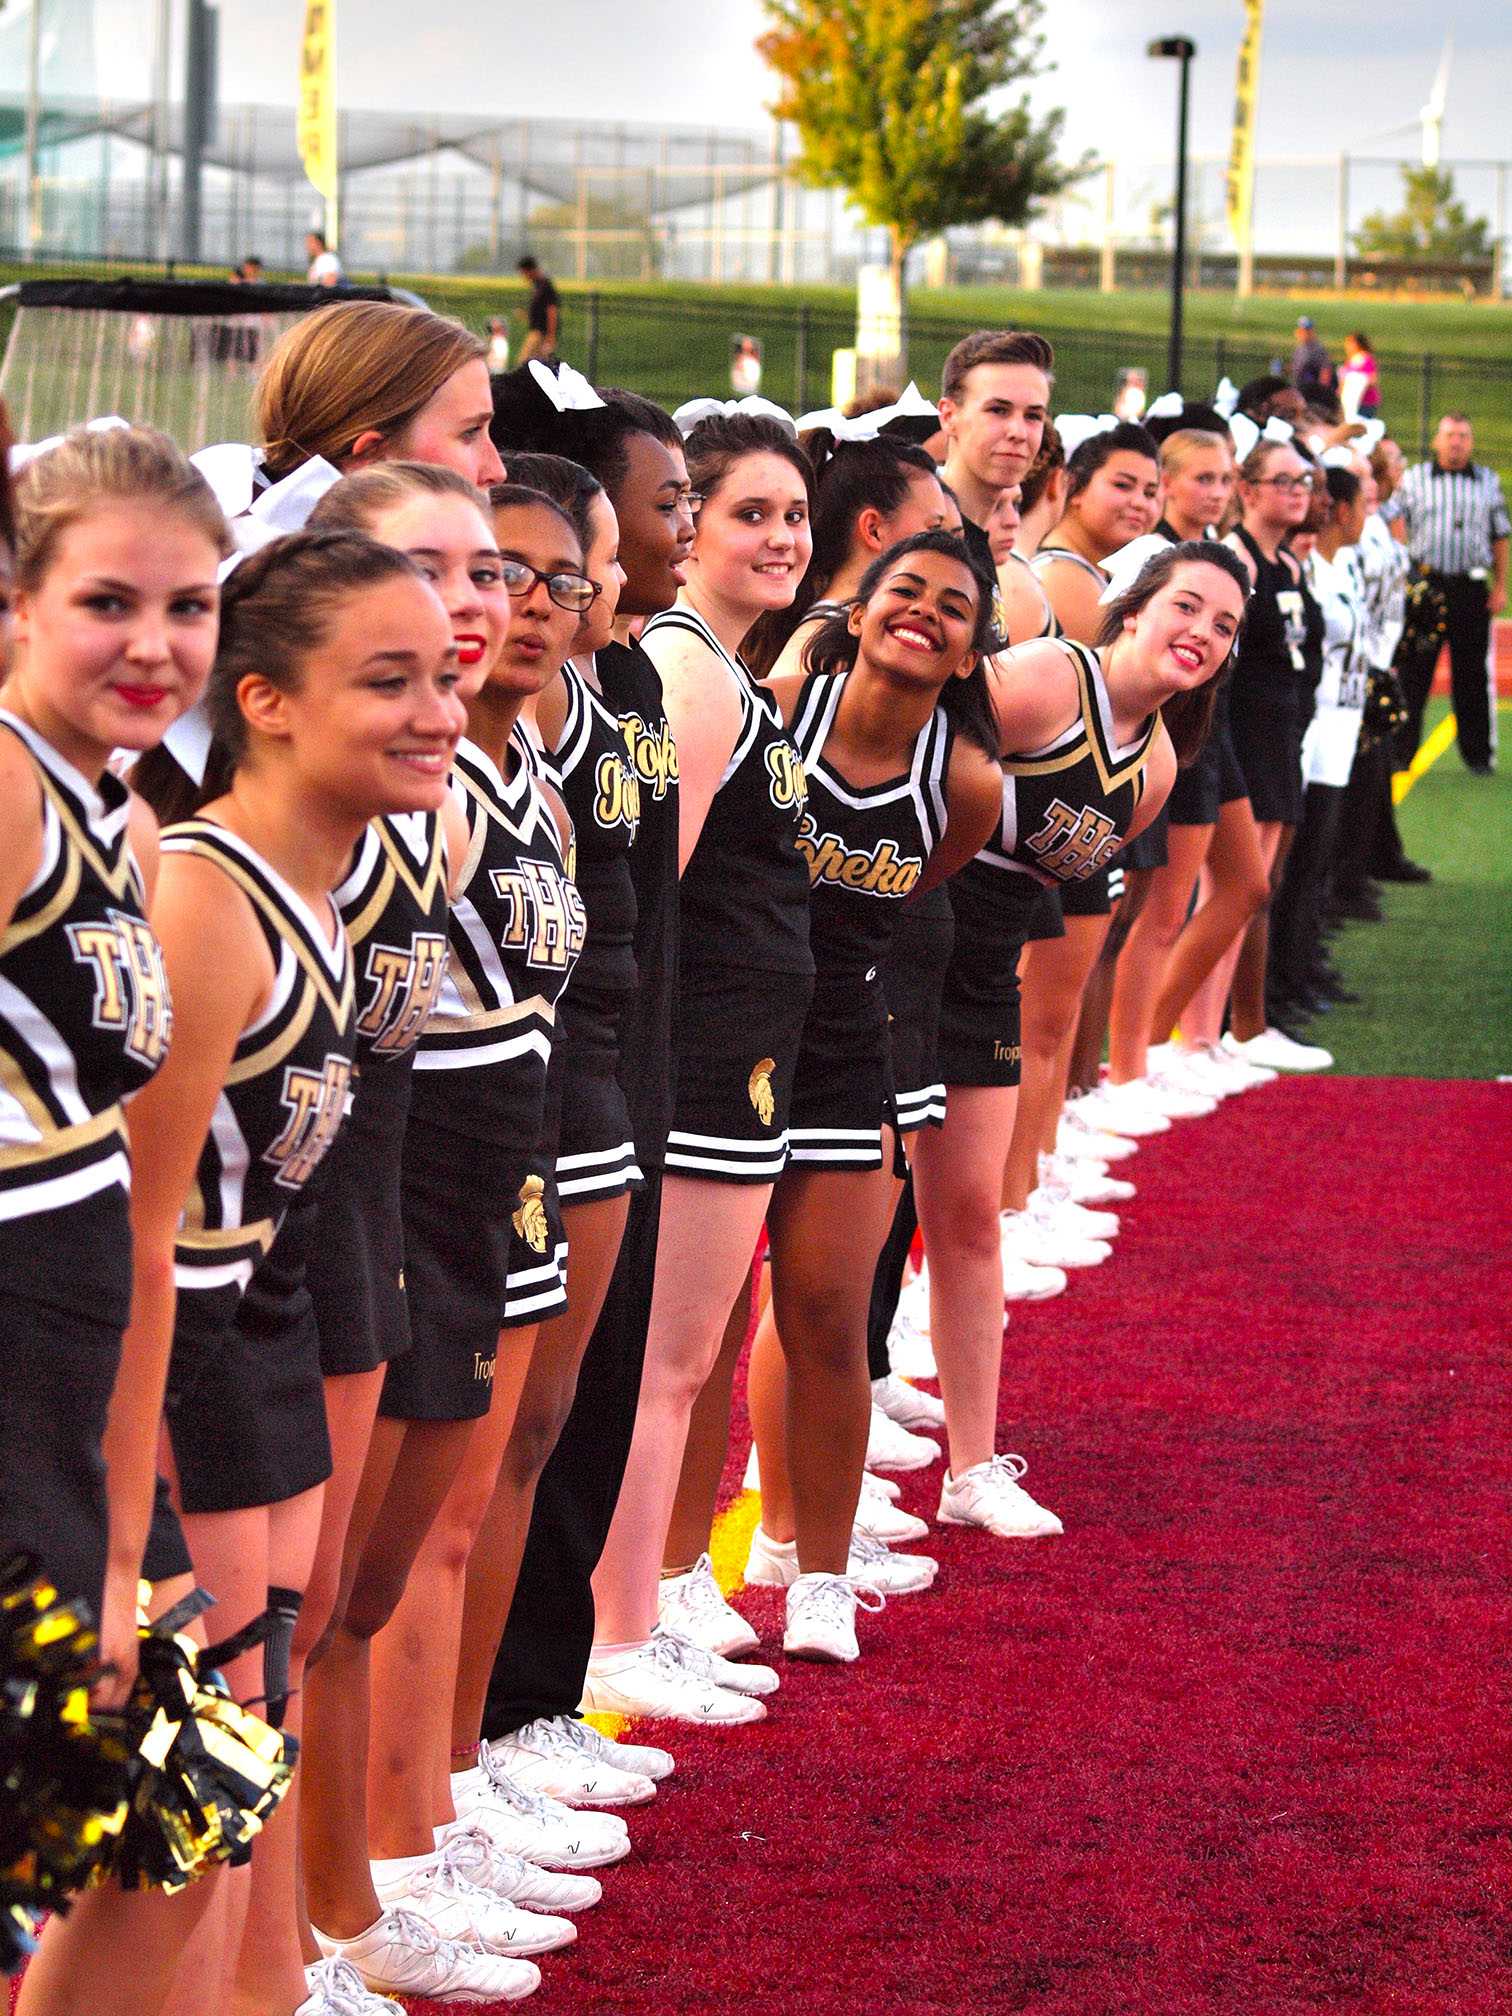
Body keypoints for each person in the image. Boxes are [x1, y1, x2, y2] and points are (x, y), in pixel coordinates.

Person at [582, 411, 815, 1724]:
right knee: (665, 1368)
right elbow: (652, 899)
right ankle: (622, 1631)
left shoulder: (724, 667)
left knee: (681, 1365)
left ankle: (649, 1598)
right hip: (701, 1063)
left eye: (793, 515)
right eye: (745, 514)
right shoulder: (695, 673)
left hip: (734, 1060)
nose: (779, 537)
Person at [739, 533, 1004, 1660]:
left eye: (954, 609)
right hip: (735, 1032)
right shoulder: (781, 701)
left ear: (968, 654)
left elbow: (913, 899)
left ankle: (822, 1576)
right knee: (698, 1333)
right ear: (859, 610)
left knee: (827, 1317)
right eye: (906, 591)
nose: (925, 614)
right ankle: (702, 1568)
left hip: (848, 1042)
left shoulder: (966, 780)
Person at [1391, 412, 1508, 774]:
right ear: (1437, 441)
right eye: (1449, 435)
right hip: (1427, 585)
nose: (1456, 442)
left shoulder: (1487, 481)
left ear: (1470, 442)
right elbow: (1395, 518)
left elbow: (1500, 535)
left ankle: (1478, 757)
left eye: (1462, 436)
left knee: (1472, 676)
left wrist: (1500, 584)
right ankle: (1400, 753)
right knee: (1414, 673)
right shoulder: (1415, 480)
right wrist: (1403, 570)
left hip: (1470, 588)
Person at [937, 328, 1055, 596]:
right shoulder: (923, 538)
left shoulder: (977, 542)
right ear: (948, 416)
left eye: (1033, 416)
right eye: (998, 411)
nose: (1018, 432)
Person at [517, 257, 561, 365]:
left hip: (541, 333)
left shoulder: (545, 286)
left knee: (524, 363)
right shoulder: (537, 286)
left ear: (530, 270)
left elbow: (552, 311)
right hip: (536, 330)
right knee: (537, 365)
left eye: (524, 273)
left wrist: (551, 336)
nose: (523, 276)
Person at [1289, 317, 1334, 401]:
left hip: (1312, 393)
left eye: (1306, 330)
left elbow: (1325, 372)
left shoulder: (1318, 349)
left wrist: (1321, 394)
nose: (1301, 333)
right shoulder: (1299, 348)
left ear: (1312, 332)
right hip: (1299, 390)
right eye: (1300, 330)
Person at [1340, 333, 1380, 422]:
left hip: (1365, 402)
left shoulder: (1366, 359)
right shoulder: (1350, 361)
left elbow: (1373, 380)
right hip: (1350, 403)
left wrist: (1358, 383)